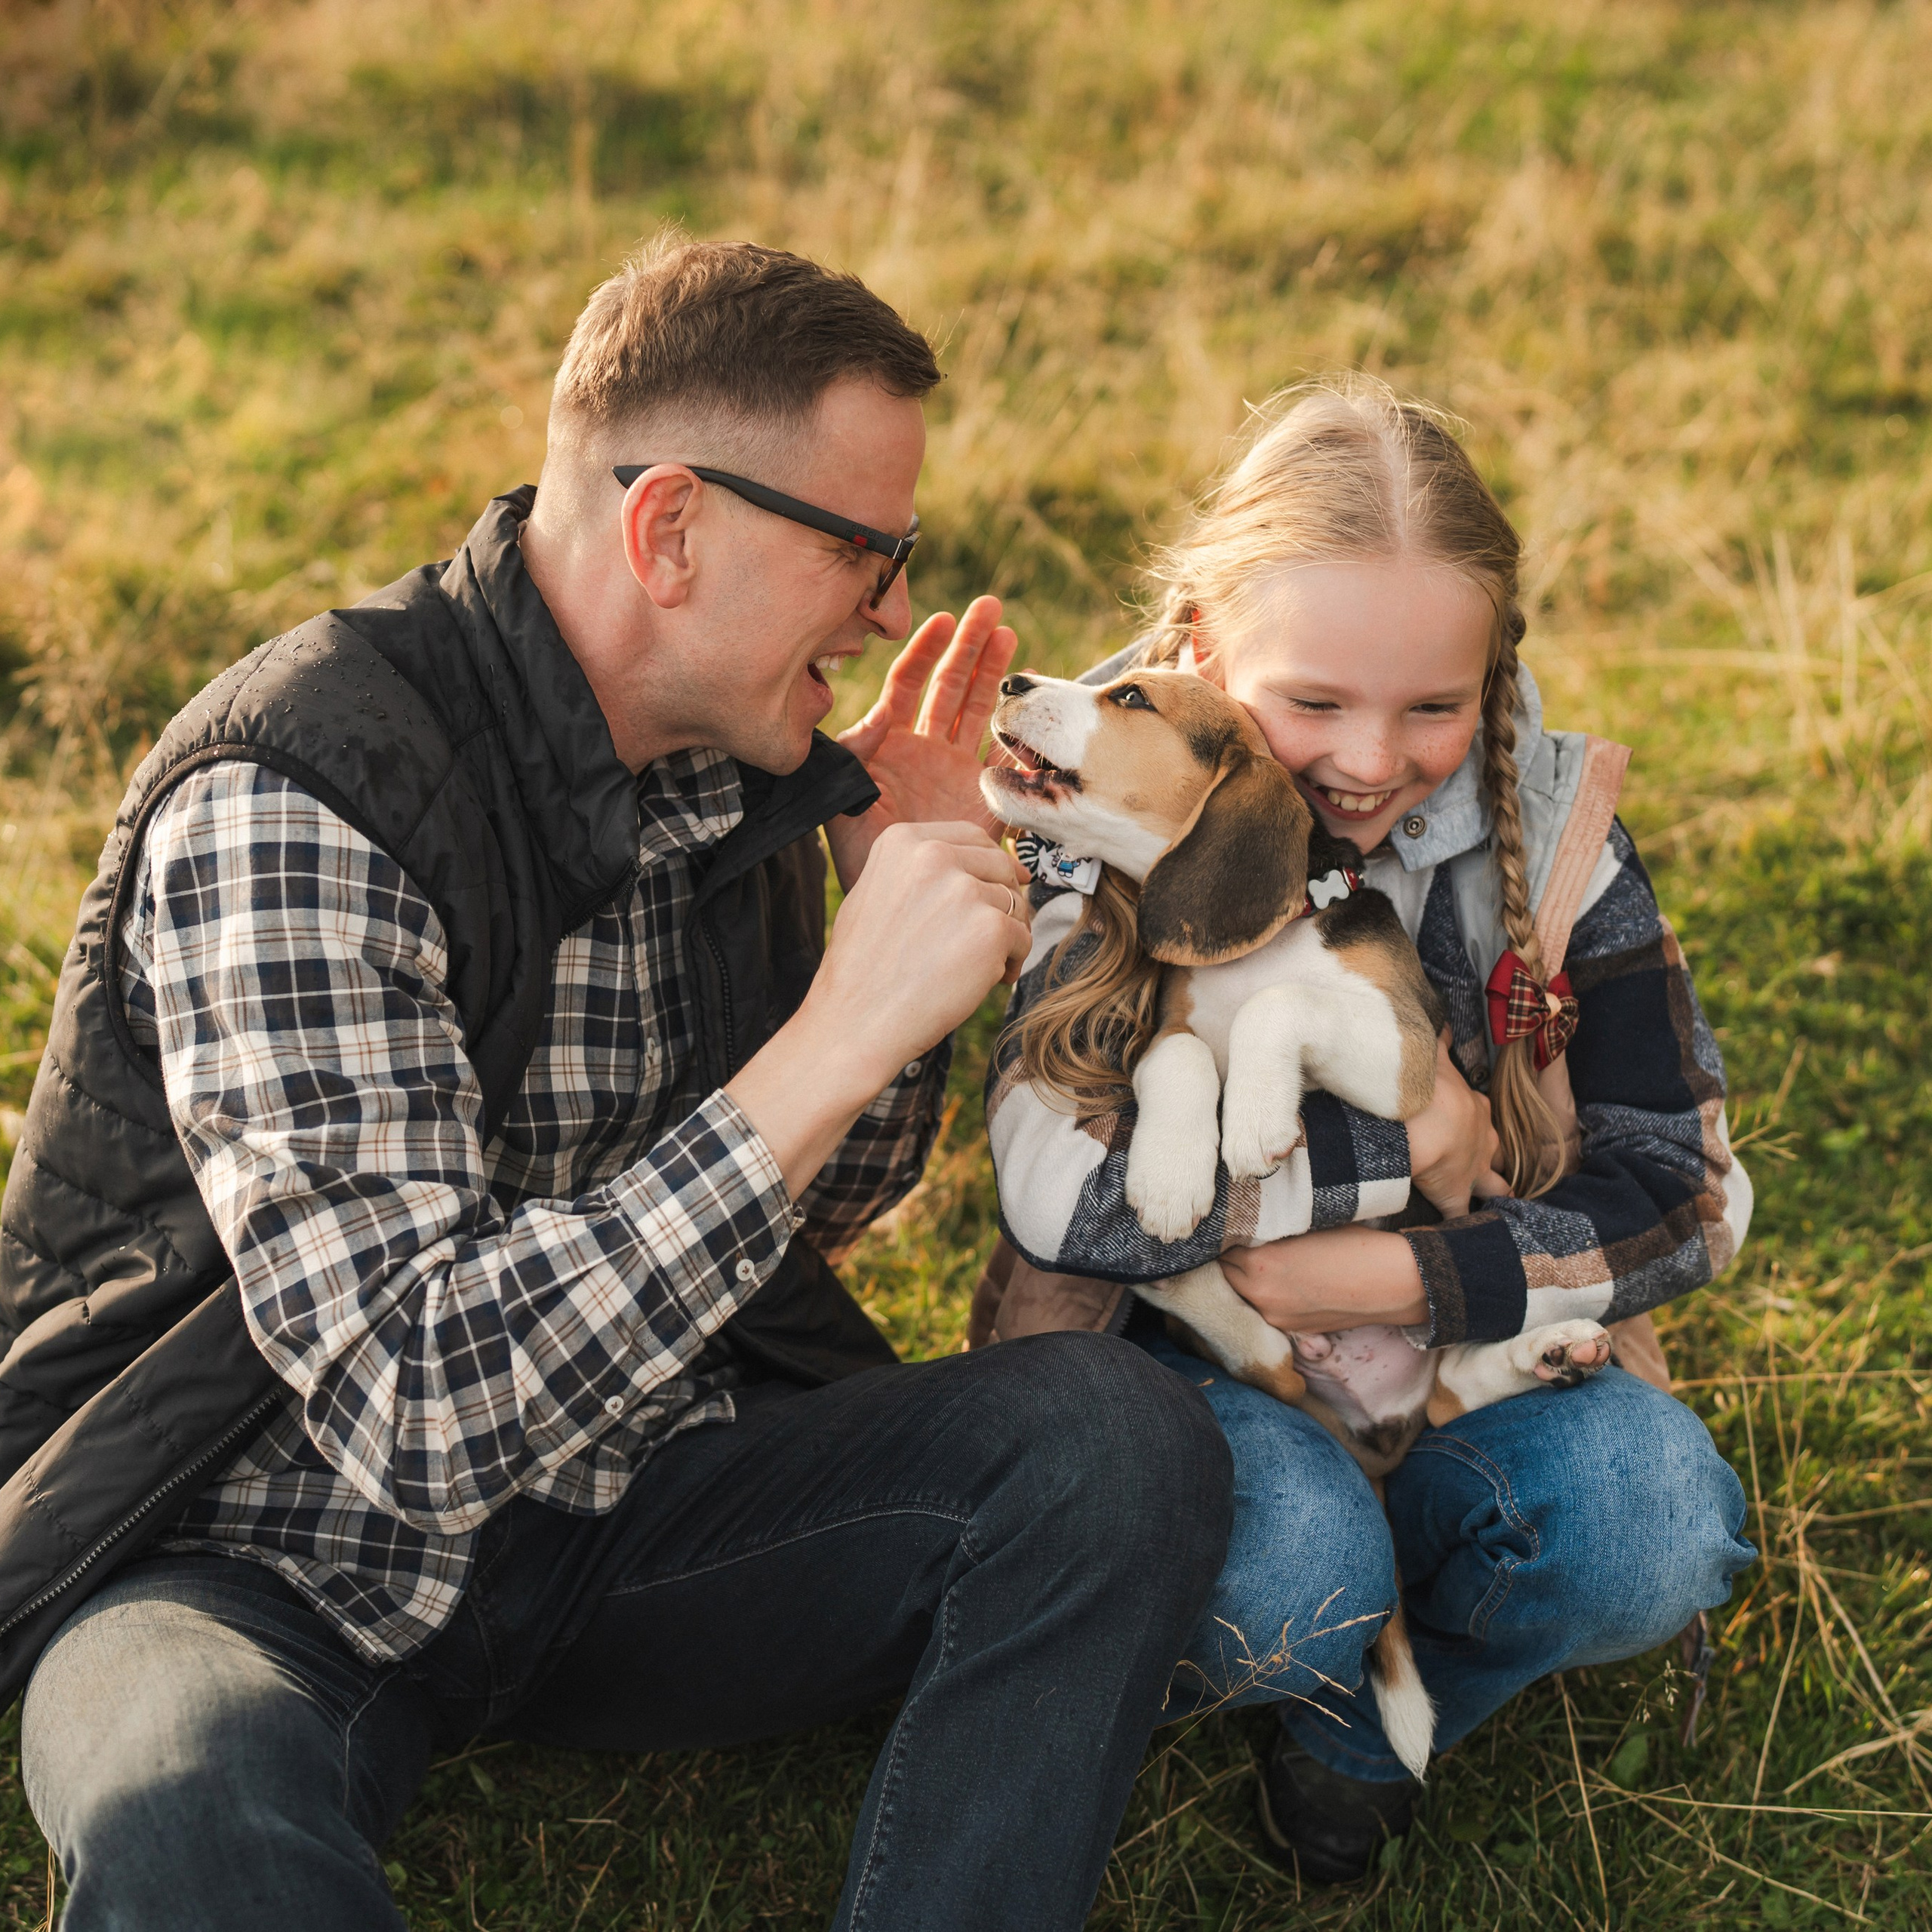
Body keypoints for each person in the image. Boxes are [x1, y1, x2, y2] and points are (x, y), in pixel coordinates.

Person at [9, 239, 1236, 1931]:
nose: (888, 612)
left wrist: (885, 925)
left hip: (630, 1507)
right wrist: (823, 1040)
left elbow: (824, 1197)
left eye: (904, 558)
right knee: (188, 1816)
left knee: (1119, 1441)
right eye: (861, 552)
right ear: (670, 530)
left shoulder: (735, 756)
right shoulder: (298, 794)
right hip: (246, 1556)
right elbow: (411, 1410)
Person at [985, 377, 1757, 1882]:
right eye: (1312, 700)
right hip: (1179, 1366)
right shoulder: (1093, 801)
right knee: (1292, 1569)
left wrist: (1408, 1278)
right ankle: (1303, 1630)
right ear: (1200, 645)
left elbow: (1686, 1194)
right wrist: (1413, 1130)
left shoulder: (1554, 839)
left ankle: (1360, 1729)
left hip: (1459, 1341)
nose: (1365, 758)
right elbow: (1063, 1202)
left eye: (1430, 706)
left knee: (1653, 1520)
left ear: (1492, 675)